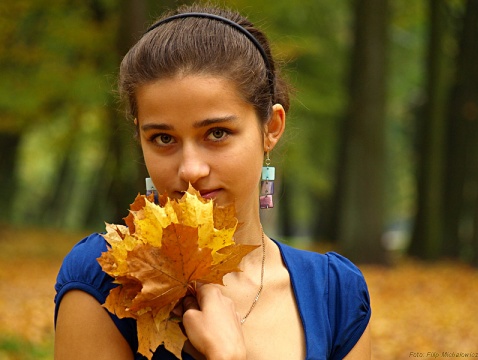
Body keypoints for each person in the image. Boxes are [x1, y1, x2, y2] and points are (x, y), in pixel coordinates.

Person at [54, 3, 371, 360]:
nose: (190, 169)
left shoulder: (336, 295)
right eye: (162, 138)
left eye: (217, 133)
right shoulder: (105, 276)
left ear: (271, 128)